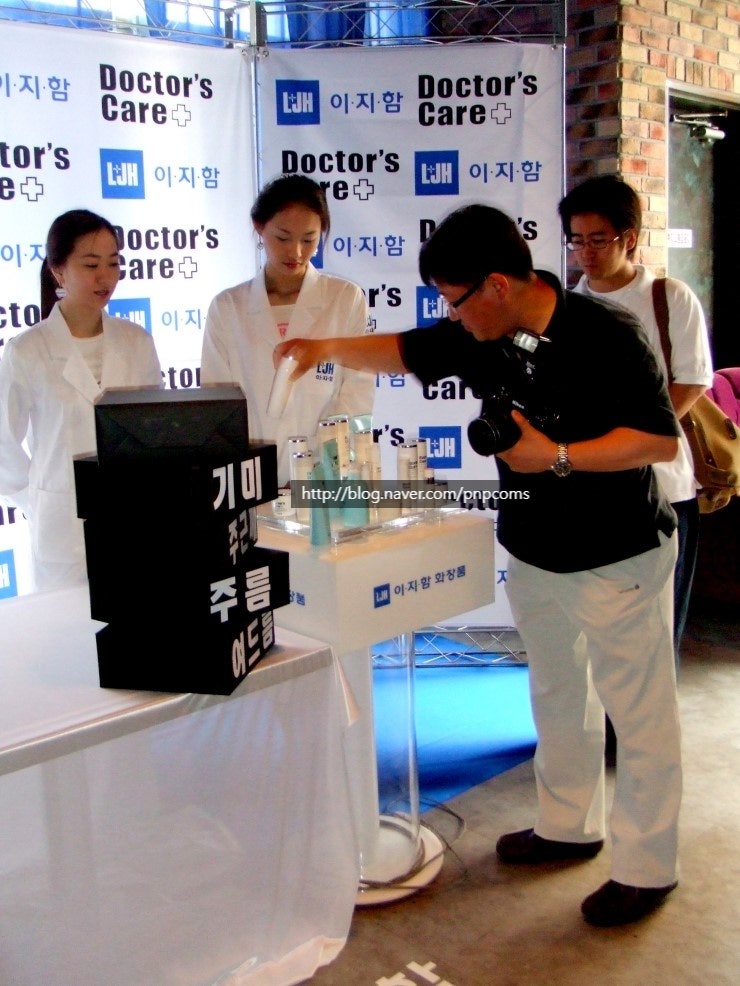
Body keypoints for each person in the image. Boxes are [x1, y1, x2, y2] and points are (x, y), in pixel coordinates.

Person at [274, 203, 683, 928]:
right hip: (534, 548)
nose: (451, 317)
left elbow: (657, 441)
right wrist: (323, 348)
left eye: (456, 301)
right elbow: (405, 350)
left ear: (497, 284)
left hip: (617, 553)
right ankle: (567, 826)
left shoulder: (606, 334)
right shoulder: (482, 332)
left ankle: (648, 868)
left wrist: (556, 457)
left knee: (639, 714)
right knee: (558, 694)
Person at [558, 175, 713, 662]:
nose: (586, 252)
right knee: (591, 636)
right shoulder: (564, 307)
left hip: (662, 489)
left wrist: (635, 438)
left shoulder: (669, 297)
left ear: (629, 237)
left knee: (656, 634)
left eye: (598, 240)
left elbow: (693, 380)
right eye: (576, 241)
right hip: (588, 491)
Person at [0, 209, 162, 592]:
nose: (105, 277)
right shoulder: (27, 350)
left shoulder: (137, 342)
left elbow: (156, 432)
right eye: (91, 265)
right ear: (58, 271)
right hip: (62, 526)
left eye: (113, 263)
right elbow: (2, 442)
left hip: (132, 518)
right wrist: (35, 498)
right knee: (66, 624)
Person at [200, 173, 375, 485]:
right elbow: (217, 409)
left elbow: (356, 396)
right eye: (282, 238)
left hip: (325, 476)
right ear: (259, 227)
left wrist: (325, 468)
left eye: (308, 240)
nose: (295, 252)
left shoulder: (345, 299)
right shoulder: (228, 308)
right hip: (250, 477)